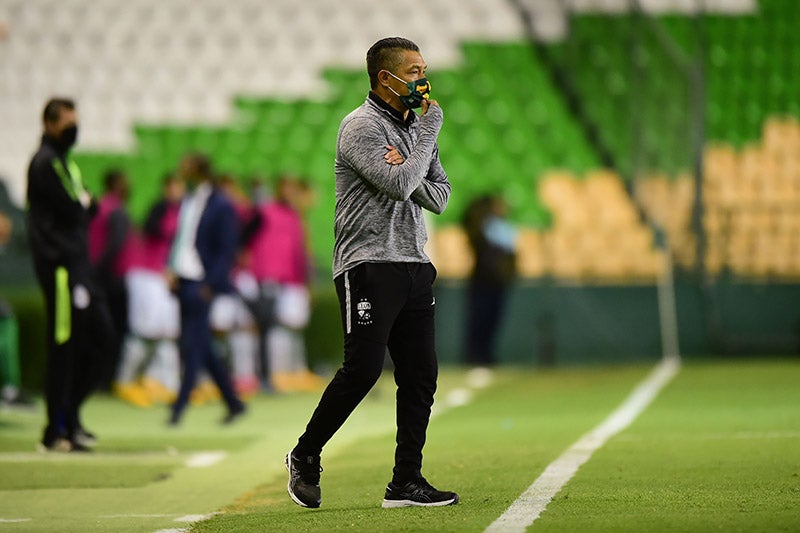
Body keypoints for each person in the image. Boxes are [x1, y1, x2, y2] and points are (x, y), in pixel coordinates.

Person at [285, 37, 458, 509]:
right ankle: (305, 454)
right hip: (367, 264)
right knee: (362, 370)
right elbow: (403, 185)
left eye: (424, 70)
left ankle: (406, 481)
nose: (424, 80)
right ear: (387, 78)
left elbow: (440, 197)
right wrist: (427, 137)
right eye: (415, 70)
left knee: (421, 375)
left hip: (413, 263)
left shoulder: (412, 131)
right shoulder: (359, 126)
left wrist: (415, 155)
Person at [26, 97, 114, 451]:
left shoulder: (64, 162)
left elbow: (85, 208)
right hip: (61, 270)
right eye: (67, 124)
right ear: (49, 124)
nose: (73, 130)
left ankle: (71, 416)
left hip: (79, 268)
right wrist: (84, 205)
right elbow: (76, 207)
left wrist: (85, 206)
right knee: (64, 347)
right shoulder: (45, 163)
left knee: (100, 341)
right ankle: (55, 429)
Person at [167, 153, 246, 425]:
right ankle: (234, 403)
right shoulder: (188, 201)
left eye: (186, 168)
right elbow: (183, 239)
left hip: (201, 282)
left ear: (199, 171)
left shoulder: (221, 204)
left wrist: (211, 283)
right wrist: (173, 268)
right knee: (201, 346)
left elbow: (227, 249)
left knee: (192, 345)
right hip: (184, 280)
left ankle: (178, 407)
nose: (181, 173)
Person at [113, 174, 184, 407]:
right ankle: (124, 380)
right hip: (147, 275)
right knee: (144, 331)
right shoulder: (161, 208)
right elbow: (152, 230)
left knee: (167, 332)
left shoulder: (184, 211)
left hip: (164, 276)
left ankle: (161, 381)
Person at [247, 175, 323, 393]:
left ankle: (294, 371)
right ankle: (276, 373)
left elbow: (300, 251)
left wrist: (306, 279)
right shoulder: (265, 212)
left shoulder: (295, 216)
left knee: (293, 326)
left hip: (293, 277)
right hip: (270, 276)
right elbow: (246, 240)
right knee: (275, 327)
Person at [88, 169, 133, 388]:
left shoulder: (98, 207)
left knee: (98, 331)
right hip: (111, 279)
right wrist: (101, 270)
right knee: (115, 330)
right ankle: (107, 378)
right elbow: (115, 245)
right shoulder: (116, 210)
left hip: (96, 276)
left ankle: (97, 377)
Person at [462, 194, 518, 366]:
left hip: (497, 282)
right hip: (482, 281)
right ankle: (475, 355)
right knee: (479, 319)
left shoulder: (502, 228)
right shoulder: (480, 228)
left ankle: (485, 355)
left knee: (492, 320)